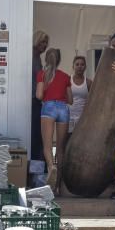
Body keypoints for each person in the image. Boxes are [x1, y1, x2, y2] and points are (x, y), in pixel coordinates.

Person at [35, 48, 71, 190]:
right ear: (59, 60)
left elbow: (38, 95)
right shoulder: (65, 76)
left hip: (48, 108)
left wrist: (47, 95)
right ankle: (59, 184)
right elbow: (71, 99)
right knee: (61, 148)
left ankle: (51, 167)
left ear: (46, 59)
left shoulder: (42, 74)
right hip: (63, 108)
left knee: (47, 146)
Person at [30, 31, 50, 163]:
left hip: (36, 99)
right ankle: (36, 166)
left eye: (46, 43)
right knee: (36, 134)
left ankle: (37, 167)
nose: (44, 45)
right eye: (42, 42)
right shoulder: (31, 56)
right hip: (32, 99)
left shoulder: (37, 57)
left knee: (39, 134)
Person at [67, 55, 91, 134]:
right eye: (77, 64)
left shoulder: (89, 82)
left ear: (85, 67)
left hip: (82, 119)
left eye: (82, 64)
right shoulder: (67, 80)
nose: (79, 66)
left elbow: (92, 101)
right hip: (68, 117)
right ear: (73, 66)